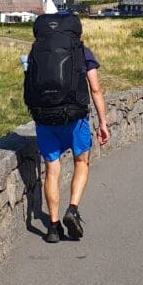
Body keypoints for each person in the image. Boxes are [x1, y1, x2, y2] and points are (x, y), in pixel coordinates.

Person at [24, 14, 111, 244]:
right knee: (81, 162)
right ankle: (72, 209)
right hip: (75, 117)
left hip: (45, 118)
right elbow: (95, 89)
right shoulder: (82, 52)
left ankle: (53, 227)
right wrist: (103, 123)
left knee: (52, 170)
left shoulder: (36, 51)